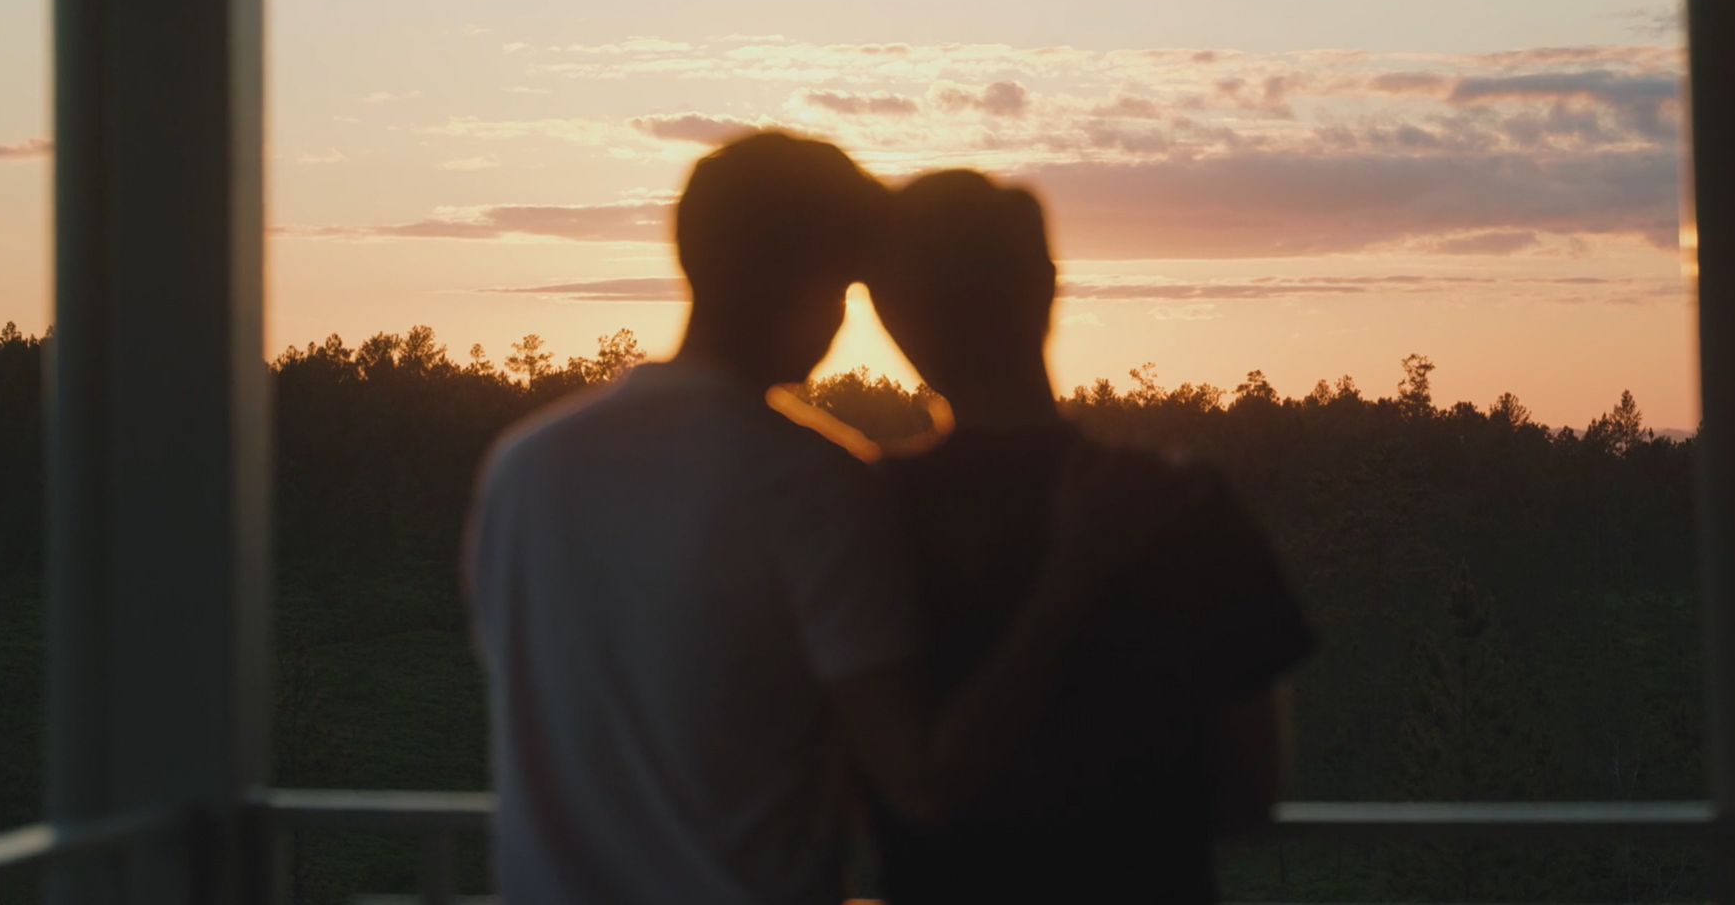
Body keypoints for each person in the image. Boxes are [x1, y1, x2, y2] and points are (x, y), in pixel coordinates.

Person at [463, 133, 1192, 905]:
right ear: (808, 285)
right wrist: (1073, 573)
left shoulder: (524, 466)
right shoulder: (809, 482)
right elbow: (924, 783)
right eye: (847, 290)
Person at [864, 169, 1317, 904]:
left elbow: (886, 785)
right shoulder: (1185, 504)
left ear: (894, 318)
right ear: (1048, 287)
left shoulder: (860, 513)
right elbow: (1249, 792)